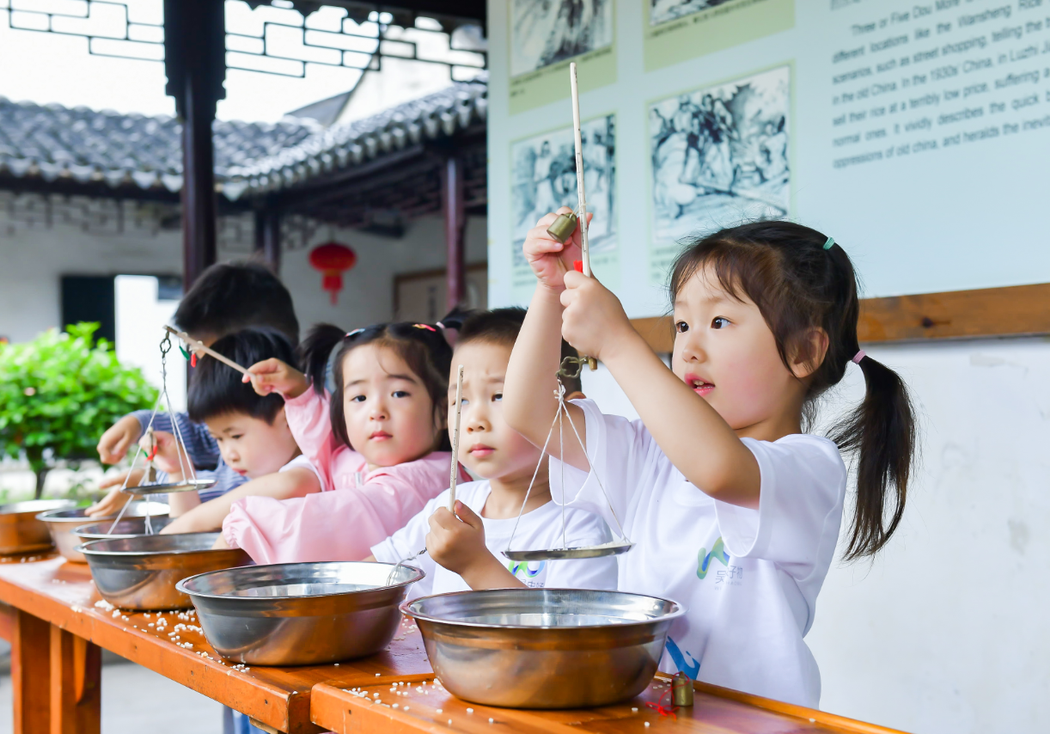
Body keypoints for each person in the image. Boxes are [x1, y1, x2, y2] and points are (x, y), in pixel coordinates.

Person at [505, 211, 917, 708]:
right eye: (681, 323)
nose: (689, 348)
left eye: (719, 321)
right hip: (647, 714)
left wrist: (618, 341)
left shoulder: (807, 467)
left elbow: (719, 470)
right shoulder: (648, 455)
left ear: (805, 352)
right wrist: (552, 290)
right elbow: (528, 412)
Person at [370, 307, 618, 598]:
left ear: (570, 413)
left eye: (500, 396)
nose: (474, 421)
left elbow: (567, 636)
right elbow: (376, 575)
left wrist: (475, 565)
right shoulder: (452, 507)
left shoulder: (579, 526)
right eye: (460, 400)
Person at [216, 321, 463, 563]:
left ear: (444, 412)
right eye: (359, 397)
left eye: (399, 393)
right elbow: (329, 451)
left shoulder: (428, 479)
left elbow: (328, 521)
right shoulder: (356, 459)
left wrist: (246, 523)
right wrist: (300, 392)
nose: (376, 410)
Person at [88, 259, 299, 518]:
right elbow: (199, 432)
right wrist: (139, 423)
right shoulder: (252, 434)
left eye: (215, 360)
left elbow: (217, 493)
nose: (208, 374)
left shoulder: (296, 458)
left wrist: (152, 480)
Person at [137, 329, 322, 534]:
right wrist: (178, 470)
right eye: (218, 439)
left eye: (236, 436)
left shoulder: (315, 469)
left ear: (288, 419)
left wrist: (191, 522)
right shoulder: (252, 479)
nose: (228, 455)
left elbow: (290, 484)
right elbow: (186, 543)